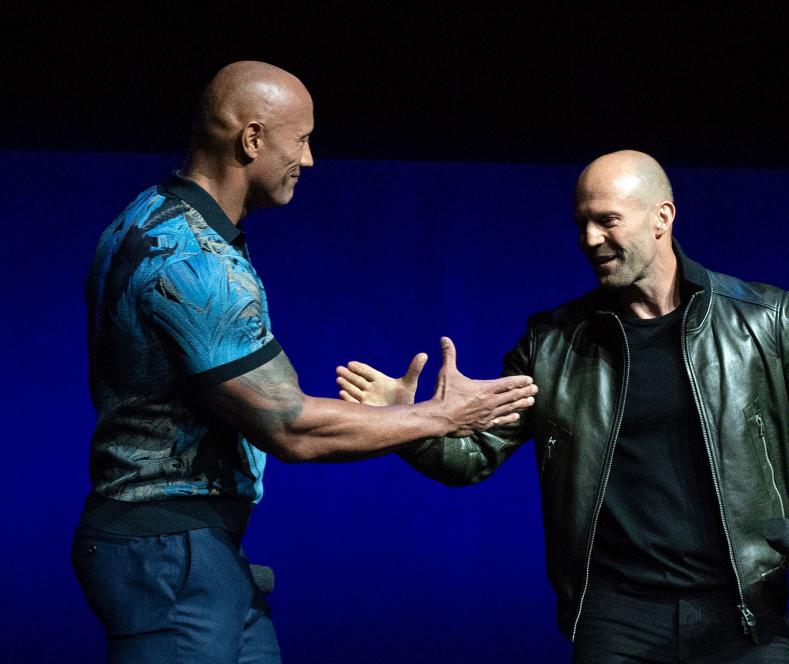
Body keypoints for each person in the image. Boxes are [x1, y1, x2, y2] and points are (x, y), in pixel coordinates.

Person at [336, 150, 789, 663]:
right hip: (616, 617)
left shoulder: (761, 319)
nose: (590, 238)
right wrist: (409, 422)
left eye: (607, 220)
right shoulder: (553, 342)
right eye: (581, 223)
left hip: (745, 612)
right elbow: (473, 458)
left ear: (662, 217)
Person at [73, 60, 537, 664]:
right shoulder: (194, 261)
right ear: (252, 139)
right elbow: (291, 427)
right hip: (167, 553)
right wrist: (443, 417)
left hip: (192, 549)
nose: (310, 160)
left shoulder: (146, 217)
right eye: (302, 140)